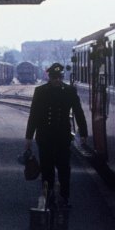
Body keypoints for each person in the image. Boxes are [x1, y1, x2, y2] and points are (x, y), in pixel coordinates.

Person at [25, 62, 88, 208]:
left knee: (64, 168)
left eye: (59, 77)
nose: (57, 80)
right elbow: (33, 115)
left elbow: (78, 112)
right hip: (44, 136)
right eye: (54, 77)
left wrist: (83, 132)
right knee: (47, 168)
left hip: (62, 137)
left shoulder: (70, 91)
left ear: (62, 77)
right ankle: (48, 195)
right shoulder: (40, 91)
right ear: (50, 77)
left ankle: (64, 197)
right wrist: (28, 137)